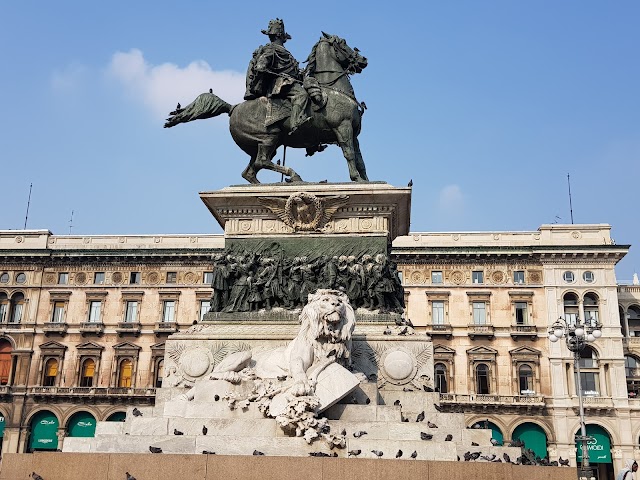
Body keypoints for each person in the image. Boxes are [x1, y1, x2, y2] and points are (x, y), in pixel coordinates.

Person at [244, 19, 320, 134]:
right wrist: (262, 66)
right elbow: (261, 63)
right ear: (280, 35)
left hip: (290, 81)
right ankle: (296, 122)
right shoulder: (271, 49)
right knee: (302, 95)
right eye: (284, 35)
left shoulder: (283, 50)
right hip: (281, 83)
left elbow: (290, 70)